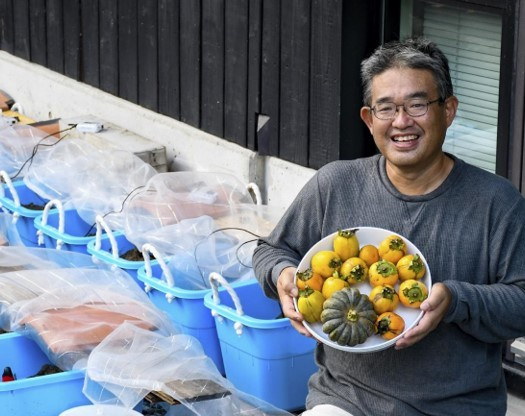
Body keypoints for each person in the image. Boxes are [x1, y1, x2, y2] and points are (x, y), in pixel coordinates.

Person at [252, 38, 525, 416]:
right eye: (386, 108)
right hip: (345, 399)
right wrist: (281, 275)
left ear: (448, 111)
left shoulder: (497, 203)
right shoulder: (335, 183)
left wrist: (456, 301)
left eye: (417, 104)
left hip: (456, 408)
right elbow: (270, 250)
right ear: (368, 118)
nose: (401, 122)